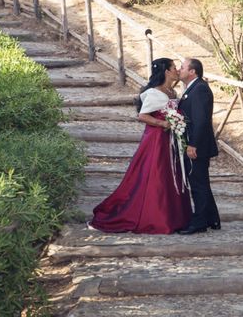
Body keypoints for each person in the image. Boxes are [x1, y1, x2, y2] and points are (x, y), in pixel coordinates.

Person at [89, 58, 191, 234]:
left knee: (170, 173)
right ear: (166, 71)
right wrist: (163, 124)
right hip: (157, 139)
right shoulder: (155, 92)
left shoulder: (171, 91)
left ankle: (175, 216)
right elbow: (143, 116)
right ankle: (156, 216)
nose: (176, 70)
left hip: (171, 139)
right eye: (174, 67)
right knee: (157, 173)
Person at [177, 58, 221, 235]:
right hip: (196, 143)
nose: (179, 70)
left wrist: (192, 144)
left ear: (192, 71)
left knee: (198, 184)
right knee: (201, 182)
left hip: (198, 145)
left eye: (182, 67)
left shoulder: (200, 89)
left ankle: (199, 222)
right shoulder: (193, 88)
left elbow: (201, 120)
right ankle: (213, 219)